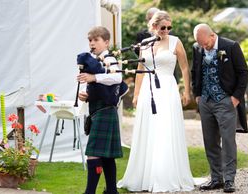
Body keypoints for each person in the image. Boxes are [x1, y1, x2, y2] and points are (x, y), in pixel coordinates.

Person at [117, 11, 195, 192]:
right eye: (163, 27)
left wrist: (187, 91)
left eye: (169, 27)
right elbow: (139, 69)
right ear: (153, 27)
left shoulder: (176, 42)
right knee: (148, 129)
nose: (166, 30)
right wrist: (136, 94)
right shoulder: (144, 44)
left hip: (167, 88)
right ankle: (145, 175)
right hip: (147, 90)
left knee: (165, 129)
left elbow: (184, 67)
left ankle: (165, 175)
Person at [191, 23, 248, 193]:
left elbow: (243, 73)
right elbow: (196, 71)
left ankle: (229, 180)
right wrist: (197, 94)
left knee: (228, 141)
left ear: (212, 35)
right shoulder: (197, 47)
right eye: (200, 44)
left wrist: (236, 98)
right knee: (210, 141)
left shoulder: (230, 46)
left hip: (225, 100)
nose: (203, 46)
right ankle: (216, 179)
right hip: (205, 101)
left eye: (205, 43)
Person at [77, 26, 123, 194]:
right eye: (90, 40)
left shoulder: (109, 57)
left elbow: (117, 77)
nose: (92, 43)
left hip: (105, 111)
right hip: (100, 110)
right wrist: (87, 96)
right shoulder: (97, 60)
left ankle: (90, 192)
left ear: (106, 42)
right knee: (107, 156)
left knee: (93, 154)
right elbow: (104, 88)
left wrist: (93, 77)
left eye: (96, 40)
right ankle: (111, 191)